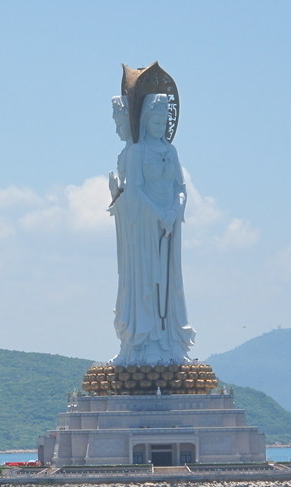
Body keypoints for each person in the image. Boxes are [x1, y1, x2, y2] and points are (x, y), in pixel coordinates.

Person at [110, 93, 194, 365]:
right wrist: (158, 214)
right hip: (144, 225)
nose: (159, 125)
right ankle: (143, 343)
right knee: (145, 280)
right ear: (145, 120)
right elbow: (134, 190)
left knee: (169, 282)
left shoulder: (171, 151)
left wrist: (172, 213)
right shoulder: (137, 152)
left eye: (163, 120)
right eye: (155, 119)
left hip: (168, 226)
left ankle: (169, 342)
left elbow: (181, 189)